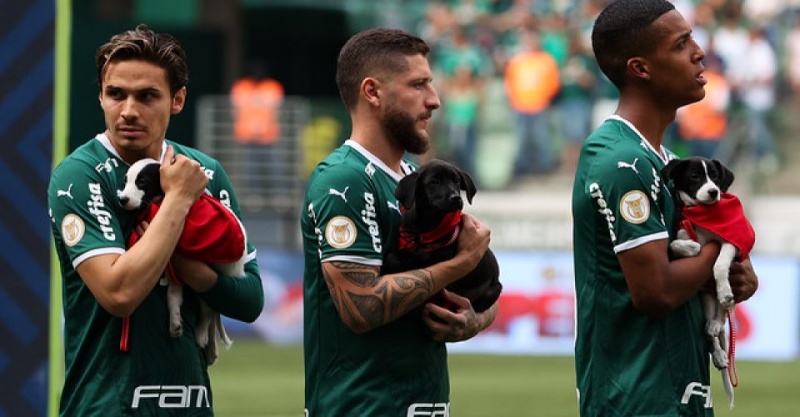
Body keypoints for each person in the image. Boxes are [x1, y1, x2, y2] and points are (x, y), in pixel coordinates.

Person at [47, 24, 264, 416]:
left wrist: (193, 273)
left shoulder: (207, 174)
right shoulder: (80, 175)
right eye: (116, 94)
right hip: (104, 407)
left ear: (177, 100)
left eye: (147, 96)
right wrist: (179, 198)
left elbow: (251, 300)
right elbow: (119, 294)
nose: (129, 110)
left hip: (190, 406)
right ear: (100, 96)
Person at [571, 1, 759, 416]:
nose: (699, 51)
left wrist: (731, 274)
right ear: (641, 68)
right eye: (681, 43)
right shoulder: (619, 160)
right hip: (635, 399)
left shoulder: (662, 159)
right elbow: (655, 290)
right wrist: (720, 247)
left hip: (677, 393)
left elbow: (684, 270)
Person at [301, 28, 498, 416]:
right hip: (361, 408)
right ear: (372, 92)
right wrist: (459, 263)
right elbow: (361, 307)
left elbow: (482, 292)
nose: (435, 100)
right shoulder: (344, 180)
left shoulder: (415, 182)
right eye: (419, 85)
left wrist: (473, 320)